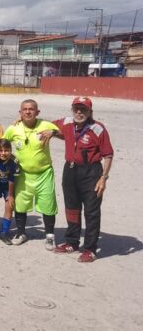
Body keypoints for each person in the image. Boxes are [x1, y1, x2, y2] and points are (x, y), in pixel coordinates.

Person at [50, 97, 114, 262]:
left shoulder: (98, 128)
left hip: (91, 172)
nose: (79, 112)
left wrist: (103, 178)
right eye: (76, 108)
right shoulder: (66, 122)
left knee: (91, 211)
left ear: (90, 112)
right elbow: (44, 124)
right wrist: (52, 133)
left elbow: (108, 155)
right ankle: (72, 242)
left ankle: (90, 249)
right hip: (70, 169)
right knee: (72, 208)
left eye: (83, 109)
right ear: (72, 109)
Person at [3, 99, 60, 249]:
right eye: (25, 109)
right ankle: (21, 233)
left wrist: (53, 132)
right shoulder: (13, 128)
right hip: (22, 173)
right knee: (20, 205)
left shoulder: (46, 125)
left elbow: (66, 135)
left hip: (44, 173)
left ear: (37, 112)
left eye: (31, 109)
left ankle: (50, 236)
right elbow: (2, 144)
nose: (28, 111)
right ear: (20, 112)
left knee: (48, 205)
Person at [0, 138, 19, 245]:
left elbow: (12, 179)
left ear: (11, 150)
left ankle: (4, 233)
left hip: (8, 186)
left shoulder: (14, 161)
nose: (3, 153)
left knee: (9, 206)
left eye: (6, 150)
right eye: (0, 151)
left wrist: (10, 195)